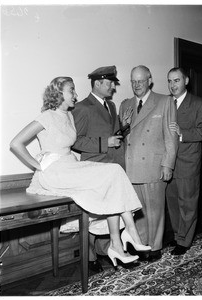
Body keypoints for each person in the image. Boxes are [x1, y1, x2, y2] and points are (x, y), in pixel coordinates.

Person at [9, 76, 151, 270]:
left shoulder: (68, 115)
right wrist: (38, 165)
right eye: (71, 90)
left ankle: (119, 243)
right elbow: (15, 143)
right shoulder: (47, 116)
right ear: (59, 93)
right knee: (112, 173)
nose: (75, 95)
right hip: (55, 171)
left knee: (114, 175)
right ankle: (129, 235)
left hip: (70, 166)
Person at [71, 66, 128, 273]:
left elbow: (113, 135)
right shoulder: (82, 107)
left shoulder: (111, 106)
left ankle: (110, 250)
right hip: (94, 169)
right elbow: (75, 141)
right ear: (97, 83)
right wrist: (105, 142)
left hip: (113, 168)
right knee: (93, 215)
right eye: (110, 82)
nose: (113, 86)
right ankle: (89, 257)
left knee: (112, 213)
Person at [119, 65, 178, 262]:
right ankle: (141, 244)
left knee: (155, 210)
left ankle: (155, 247)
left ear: (149, 80)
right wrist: (124, 126)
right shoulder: (125, 104)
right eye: (133, 81)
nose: (137, 85)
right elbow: (126, 137)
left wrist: (168, 165)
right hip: (132, 166)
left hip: (154, 165)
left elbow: (170, 137)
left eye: (141, 81)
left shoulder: (164, 101)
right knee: (139, 211)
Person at [166, 67, 202, 255]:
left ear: (186, 81)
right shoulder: (166, 103)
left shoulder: (199, 104)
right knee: (173, 203)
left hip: (188, 163)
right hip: (169, 163)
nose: (172, 85)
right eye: (169, 81)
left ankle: (184, 241)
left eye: (176, 80)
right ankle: (178, 236)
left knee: (188, 204)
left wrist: (182, 134)